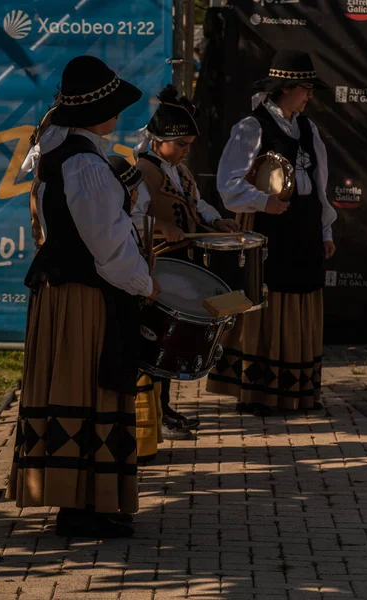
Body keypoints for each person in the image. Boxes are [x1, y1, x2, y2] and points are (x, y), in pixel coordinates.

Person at [6, 55, 161, 538]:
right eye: (115, 107)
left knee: (83, 388)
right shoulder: (85, 164)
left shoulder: (63, 153)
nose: (119, 115)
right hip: (84, 298)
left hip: (70, 292)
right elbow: (108, 245)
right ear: (101, 113)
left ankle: (88, 500)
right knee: (87, 386)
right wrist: (144, 283)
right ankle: (80, 507)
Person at [207, 49, 337, 414]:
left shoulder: (307, 128)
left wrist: (326, 230)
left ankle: (297, 391)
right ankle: (261, 393)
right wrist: (264, 203)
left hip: (304, 226)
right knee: (268, 298)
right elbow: (228, 185)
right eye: (306, 89)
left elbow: (320, 185)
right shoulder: (252, 127)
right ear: (286, 88)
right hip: (269, 227)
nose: (309, 96)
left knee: (302, 296)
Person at [132, 84, 239, 440]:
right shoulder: (142, 171)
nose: (185, 152)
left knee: (169, 342)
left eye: (189, 146)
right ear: (159, 140)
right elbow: (131, 216)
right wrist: (159, 225)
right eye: (180, 145)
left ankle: (163, 409)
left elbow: (196, 204)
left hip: (182, 262)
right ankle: (150, 415)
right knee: (155, 344)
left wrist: (217, 221)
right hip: (157, 265)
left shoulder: (180, 170)